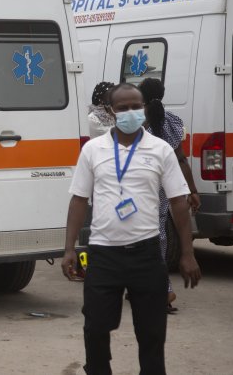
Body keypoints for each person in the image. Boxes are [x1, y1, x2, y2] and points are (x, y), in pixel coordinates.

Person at [62, 83, 201, 375]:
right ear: (111, 112)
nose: (130, 112)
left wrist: (187, 253)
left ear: (145, 109)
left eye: (135, 106)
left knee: (152, 334)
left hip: (147, 256)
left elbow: (178, 202)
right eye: (123, 107)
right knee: (96, 327)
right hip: (103, 255)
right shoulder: (93, 150)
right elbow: (78, 200)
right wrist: (69, 249)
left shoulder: (161, 149)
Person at [139, 77, 201, 313]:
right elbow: (181, 159)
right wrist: (192, 190)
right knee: (155, 237)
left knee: (151, 240)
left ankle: (163, 292)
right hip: (165, 188)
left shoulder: (139, 124)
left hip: (143, 188)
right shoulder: (171, 122)